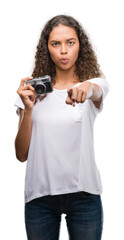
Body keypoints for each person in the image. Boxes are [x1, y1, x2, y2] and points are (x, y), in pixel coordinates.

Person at [15, 15, 109, 240]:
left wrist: (86, 87)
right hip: (40, 198)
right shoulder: (31, 92)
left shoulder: (92, 86)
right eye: (56, 44)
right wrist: (28, 109)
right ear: (47, 48)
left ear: (80, 45)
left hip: (84, 196)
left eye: (70, 42)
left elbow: (98, 89)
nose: (63, 51)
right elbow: (21, 154)